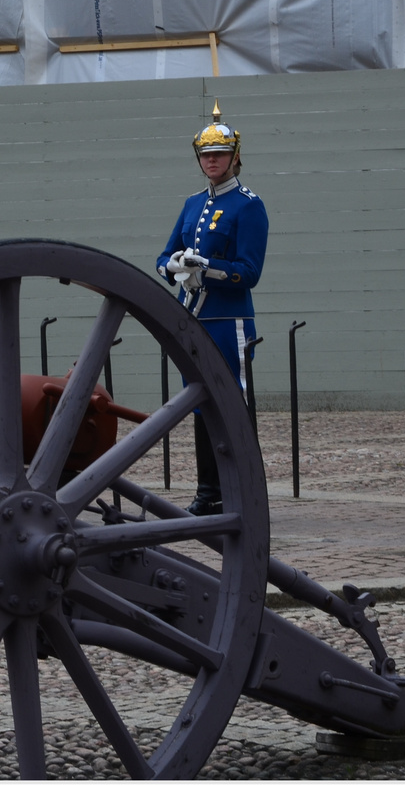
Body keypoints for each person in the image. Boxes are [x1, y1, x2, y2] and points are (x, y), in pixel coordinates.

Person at [156, 101, 269, 516]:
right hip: (193, 317)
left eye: (219, 155)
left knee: (232, 404)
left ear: (235, 157)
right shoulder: (191, 204)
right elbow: (164, 255)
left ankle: (243, 487)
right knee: (201, 403)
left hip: (228, 320)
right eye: (206, 155)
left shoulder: (248, 205)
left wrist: (208, 267)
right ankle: (209, 490)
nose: (212, 161)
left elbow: (248, 272)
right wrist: (173, 266)